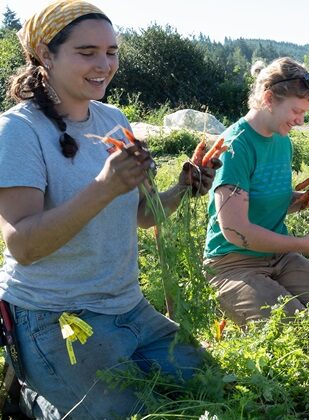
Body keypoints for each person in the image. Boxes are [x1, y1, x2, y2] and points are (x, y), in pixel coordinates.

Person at [0, 1, 217, 418]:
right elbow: (23, 245)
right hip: (56, 314)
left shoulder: (113, 119)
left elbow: (141, 215)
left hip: (129, 306)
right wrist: (102, 188)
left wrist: (181, 189)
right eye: (87, 52)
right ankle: (29, 392)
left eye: (112, 52)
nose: (104, 64)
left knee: (211, 386)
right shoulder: (18, 131)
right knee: (129, 413)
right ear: (46, 54)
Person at [203, 57, 309, 325]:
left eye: (304, 113)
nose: (300, 120)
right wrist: (301, 244)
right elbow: (236, 231)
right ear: (269, 98)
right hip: (233, 264)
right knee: (297, 330)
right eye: (296, 111)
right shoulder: (236, 147)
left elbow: (277, 202)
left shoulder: (281, 140)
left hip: (279, 257)